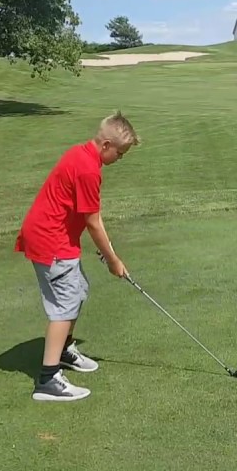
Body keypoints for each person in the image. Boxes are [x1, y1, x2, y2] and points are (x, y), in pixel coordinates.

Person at [14, 111, 139, 401]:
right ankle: (48, 379)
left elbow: (88, 217)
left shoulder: (80, 154)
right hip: (51, 241)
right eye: (120, 153)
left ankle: (64, 350)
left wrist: (109, 251)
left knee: (78, 289)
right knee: (65, 305)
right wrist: (112, 260)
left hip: (54, 237)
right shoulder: (88, 170)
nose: (120, 159)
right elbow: (93, 222)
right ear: (106, 145)